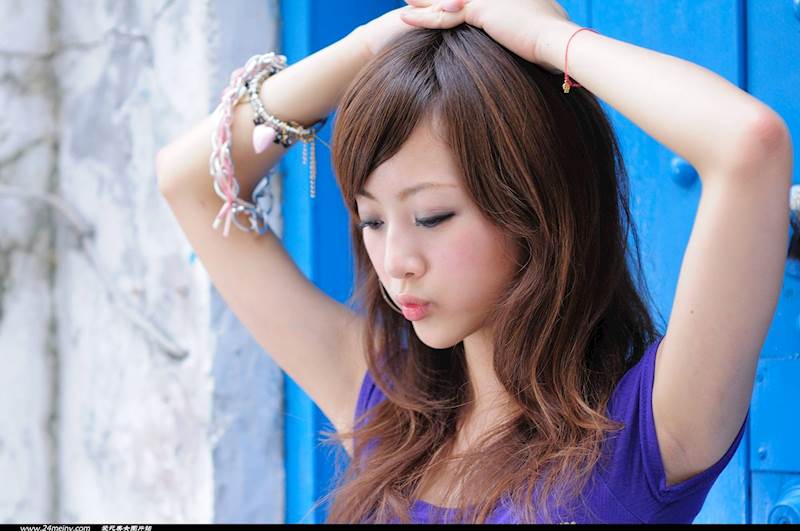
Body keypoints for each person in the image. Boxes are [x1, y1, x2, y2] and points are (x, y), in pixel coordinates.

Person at [155, 0, 793, 524]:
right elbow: (191, 183)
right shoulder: (386, 411)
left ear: (534, 205)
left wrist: (552, 40)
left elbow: (748, 144)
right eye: (372, 221)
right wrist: (376, 43)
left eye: (432, 216)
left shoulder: (644, 437)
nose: (397, 262)